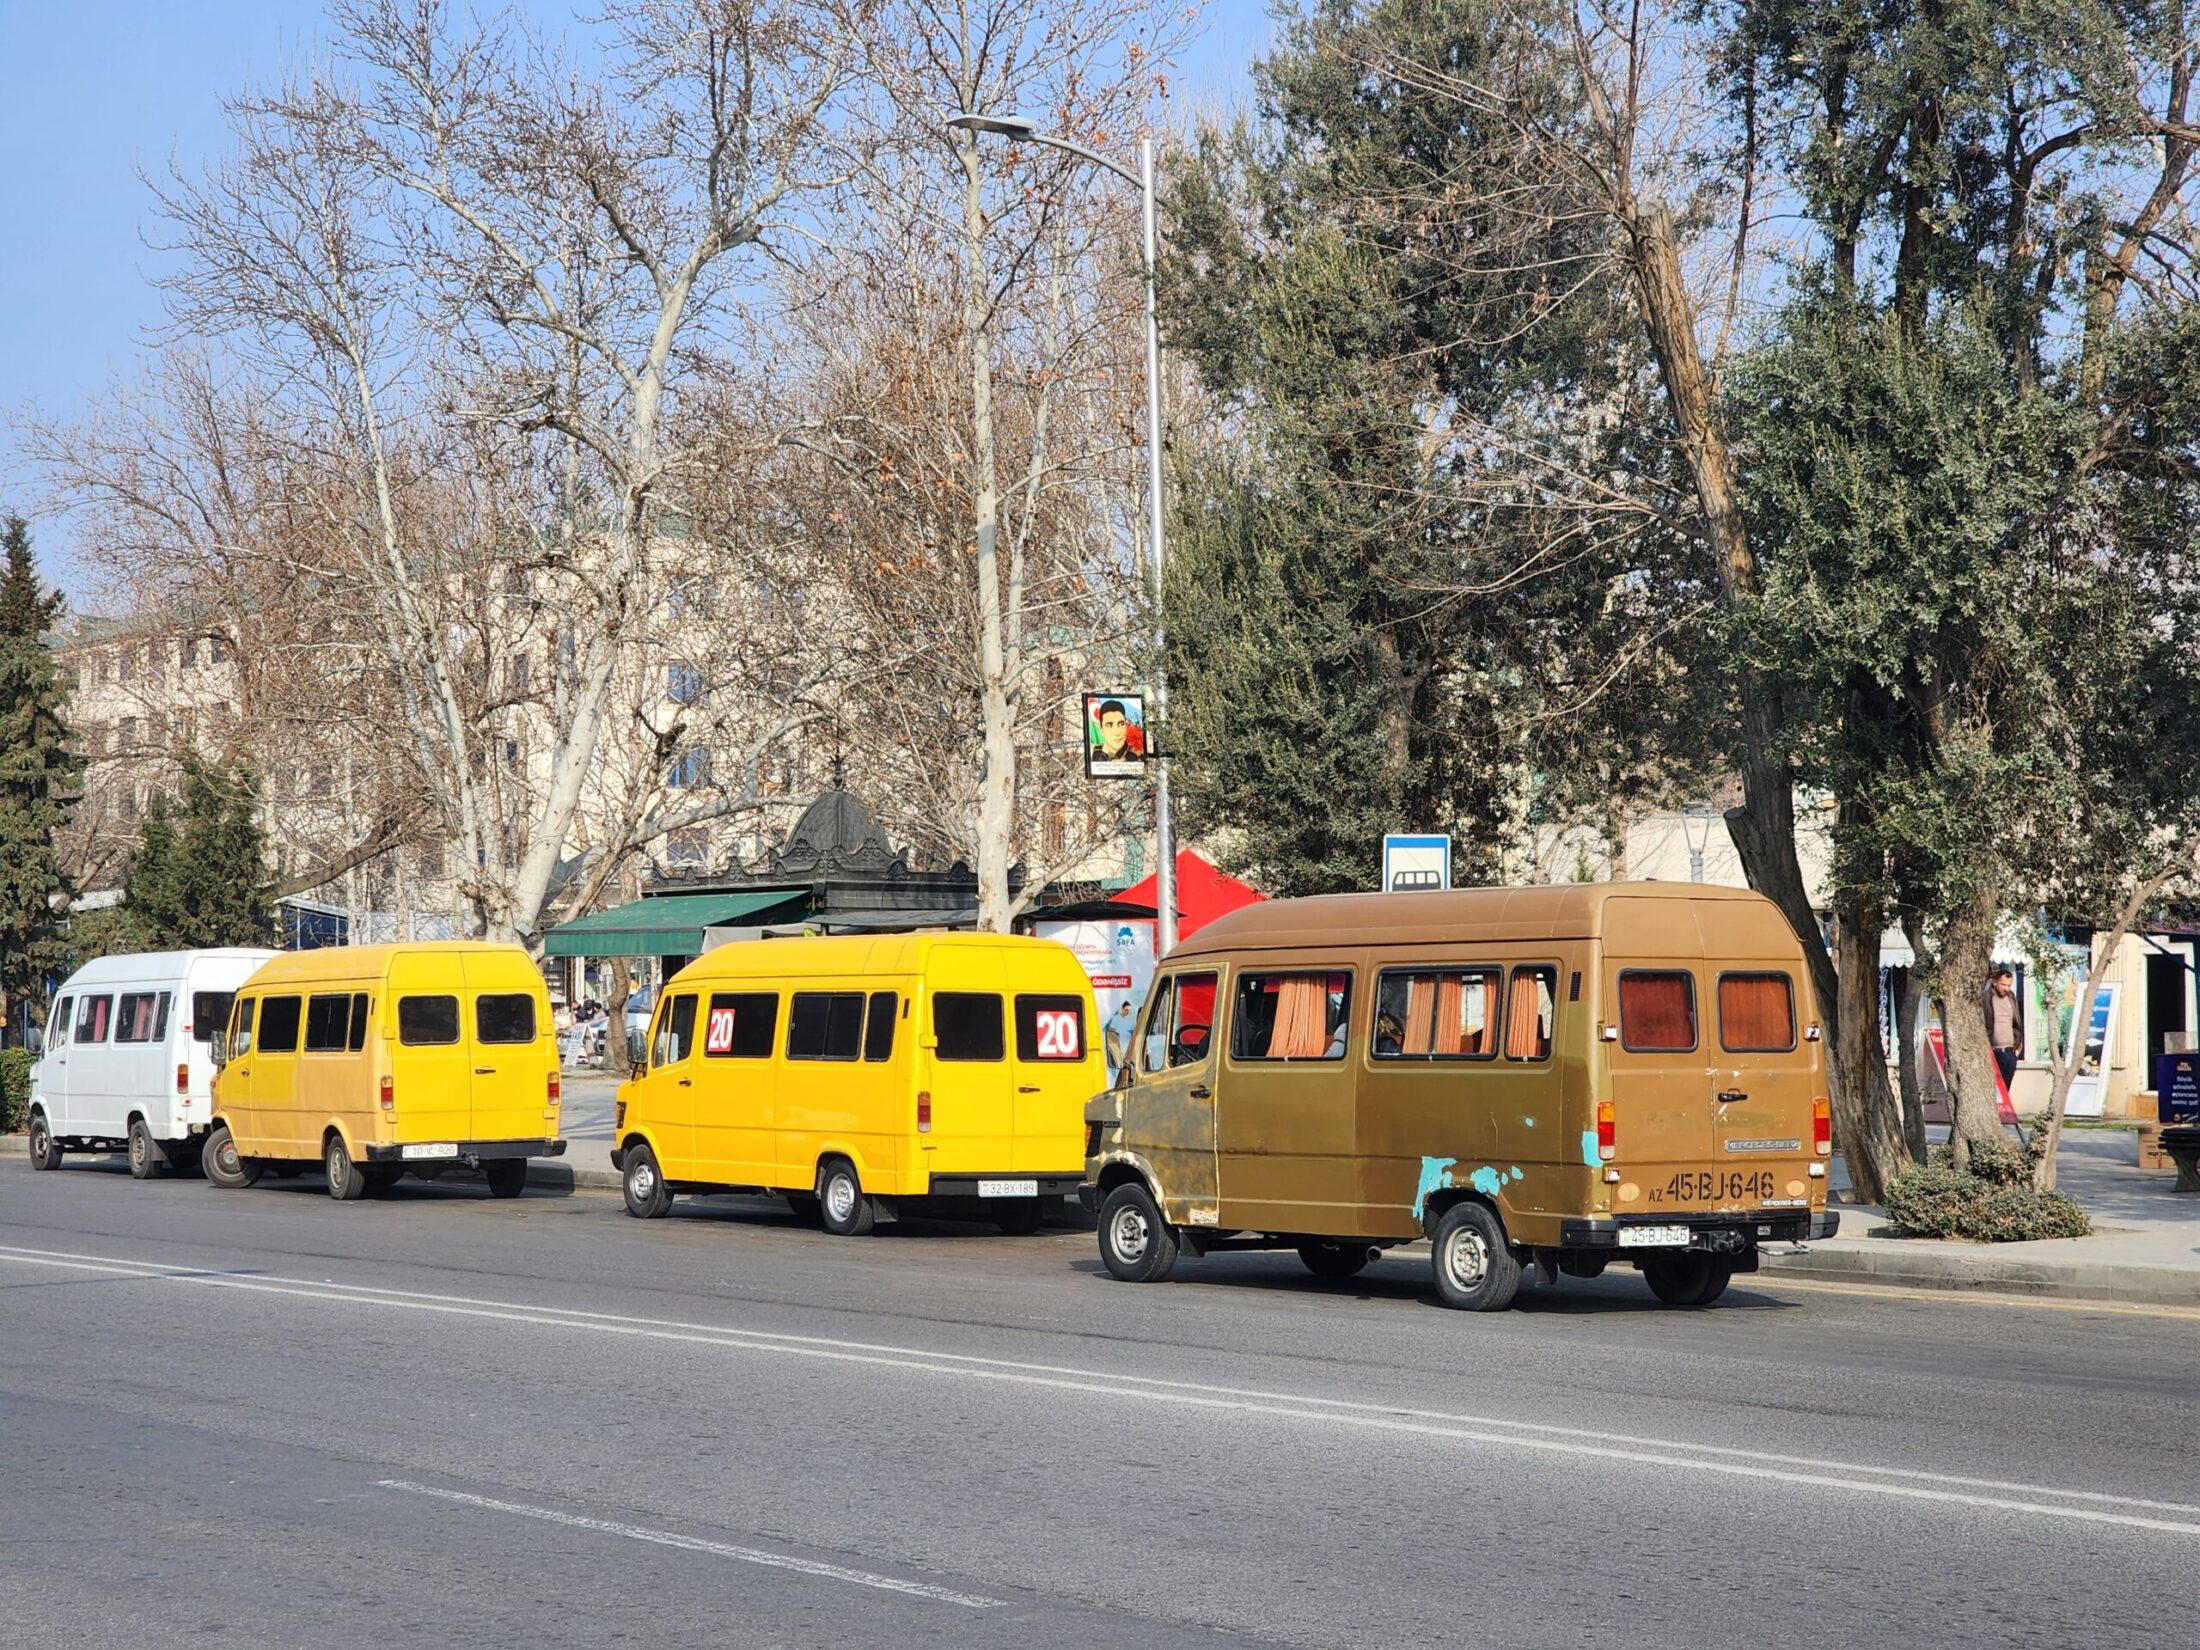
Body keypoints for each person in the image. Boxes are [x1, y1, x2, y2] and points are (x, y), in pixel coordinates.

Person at [1984, 964, 2023, 1093]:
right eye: (2003, 984)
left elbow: (2016, 1022)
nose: (2006, 988)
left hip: (2011, 1051)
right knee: (1995, 1089)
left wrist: (2018, 1048)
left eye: (2009, 985)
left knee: (2006, 1090)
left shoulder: (2011, 997)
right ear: (1995, 982)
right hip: (1995, 1051)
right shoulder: (1987, 997)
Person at [1090, 699, 1141, 766]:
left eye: (1121, 724)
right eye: (1109, 725)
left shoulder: (1137, 756)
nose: (1117, 732)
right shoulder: (1093, 756)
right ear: (1102, 730)